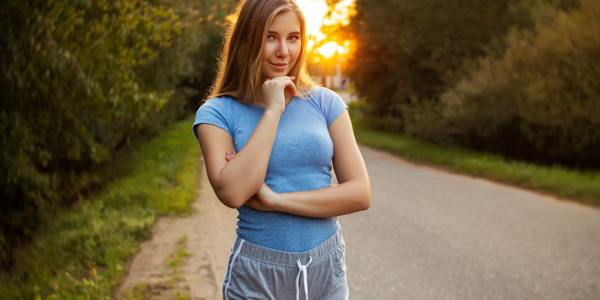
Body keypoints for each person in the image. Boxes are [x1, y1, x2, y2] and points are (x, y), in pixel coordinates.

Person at [192, 0, 371, 299]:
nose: (283, 51)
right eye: (270, 37)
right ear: (249, 38)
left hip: (326, 269)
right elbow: (233, 192)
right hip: (259, 274)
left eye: (293, 38)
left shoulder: (325, 103)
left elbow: (360, 193)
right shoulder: (218, 113)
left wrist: (275, 200)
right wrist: (273, 110)